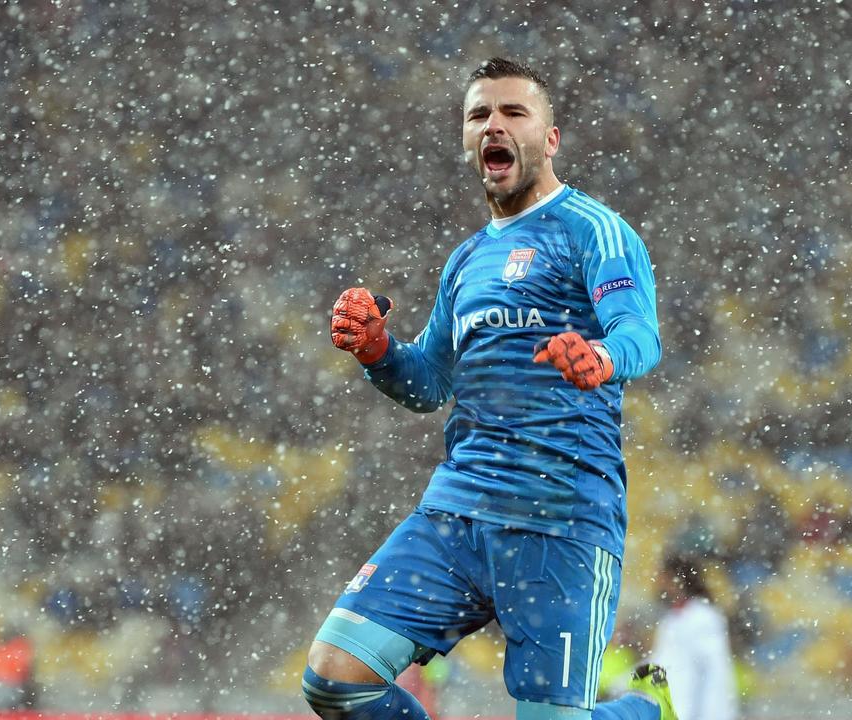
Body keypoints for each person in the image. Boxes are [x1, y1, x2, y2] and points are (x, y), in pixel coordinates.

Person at [304, 57, 674, 720]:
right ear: (467, 140)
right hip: (458, 512)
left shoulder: (595, 230)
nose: (494, 125)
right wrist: (379, 352)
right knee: (336, 680)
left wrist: (600, 356)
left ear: (550, 138)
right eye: (480, 115)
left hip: (560, 517)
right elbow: (431, 383)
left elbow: (639, 335)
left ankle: (642, 712)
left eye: (513, 112)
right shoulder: (467, 260)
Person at [650, 553, 738, 720]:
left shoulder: (704, 618)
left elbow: (715, 673)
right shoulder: (671, 621)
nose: (658, 582)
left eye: (663, 577)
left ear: (677, 579)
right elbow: (660, 663)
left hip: (693, 712)